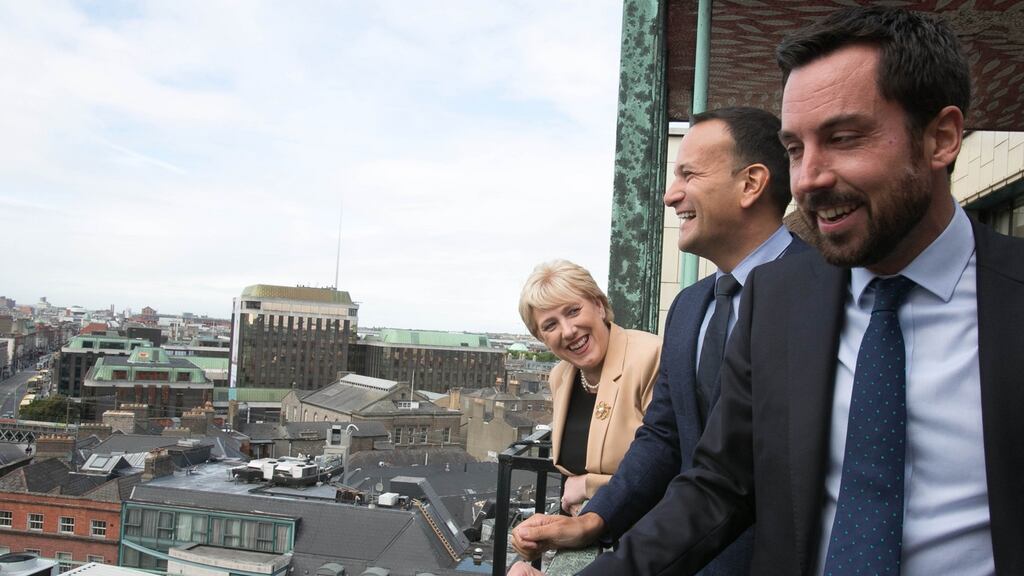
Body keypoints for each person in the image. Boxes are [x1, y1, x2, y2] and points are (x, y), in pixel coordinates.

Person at [528, 6, 1022, 575]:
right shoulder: (780, 299)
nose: (809, 177)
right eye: (794, 149)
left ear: (941, 138)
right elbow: (718, 485)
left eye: (843, 138)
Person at [510, 107, 807, 576]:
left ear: (751, 183)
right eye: (549, 324)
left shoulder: (826, 292)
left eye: (689, 174)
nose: (671, 195)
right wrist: (595, 520)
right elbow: (665, 437)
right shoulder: (690, 308)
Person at [518, 259, 662, 516]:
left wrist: (588, 486)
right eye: (550, 325)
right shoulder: (560, 377)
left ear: (599, 306)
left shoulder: (652, 356)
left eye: (573, 311)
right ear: (542, 339)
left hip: (648, 532)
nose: (568, 331)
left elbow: (669, 466)